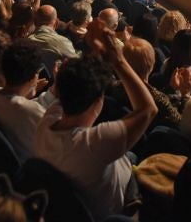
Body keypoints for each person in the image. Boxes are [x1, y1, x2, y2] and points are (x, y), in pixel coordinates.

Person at [33, 23, 157, 220]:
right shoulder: (95, 143)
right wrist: (118, 61)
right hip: (121, 207)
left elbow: (76, 80)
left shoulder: (46, 120)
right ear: (98, 102)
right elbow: (148, 110)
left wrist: (96, 54)